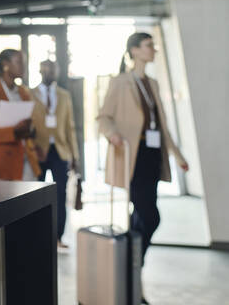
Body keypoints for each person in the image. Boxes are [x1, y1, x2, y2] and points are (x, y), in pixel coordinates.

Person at [97, 32, 189, 304]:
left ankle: (132, 268)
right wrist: (112, 134)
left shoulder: (154, 83)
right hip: (131, 155)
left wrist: (178, 155)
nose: (154, 50)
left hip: (152, 156)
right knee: (150, 216)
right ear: (135, 51)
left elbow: (161, 124)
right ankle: (134, 262)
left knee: (142, 214)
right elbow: (103, 117)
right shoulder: (120, 82)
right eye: (149, 46)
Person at [30, 60, 79, 251]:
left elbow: (70, 127)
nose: (49, 73)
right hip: (39, 151)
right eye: (46, 70)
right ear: (40, 71)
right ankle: (38, 235)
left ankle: (58, 236)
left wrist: (75, 156)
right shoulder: (30, 94)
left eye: (53, 70)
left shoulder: (64, 96)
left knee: (61, 194)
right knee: (36, 194)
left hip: (60, 151)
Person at [0, 49, 41, 181]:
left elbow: (31, 123)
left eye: (24, 62)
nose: (23, 66)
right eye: (19, 62)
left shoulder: (24, 92)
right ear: (5, 64)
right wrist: (14, 131)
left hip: (25, 162)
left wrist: (30, 129)